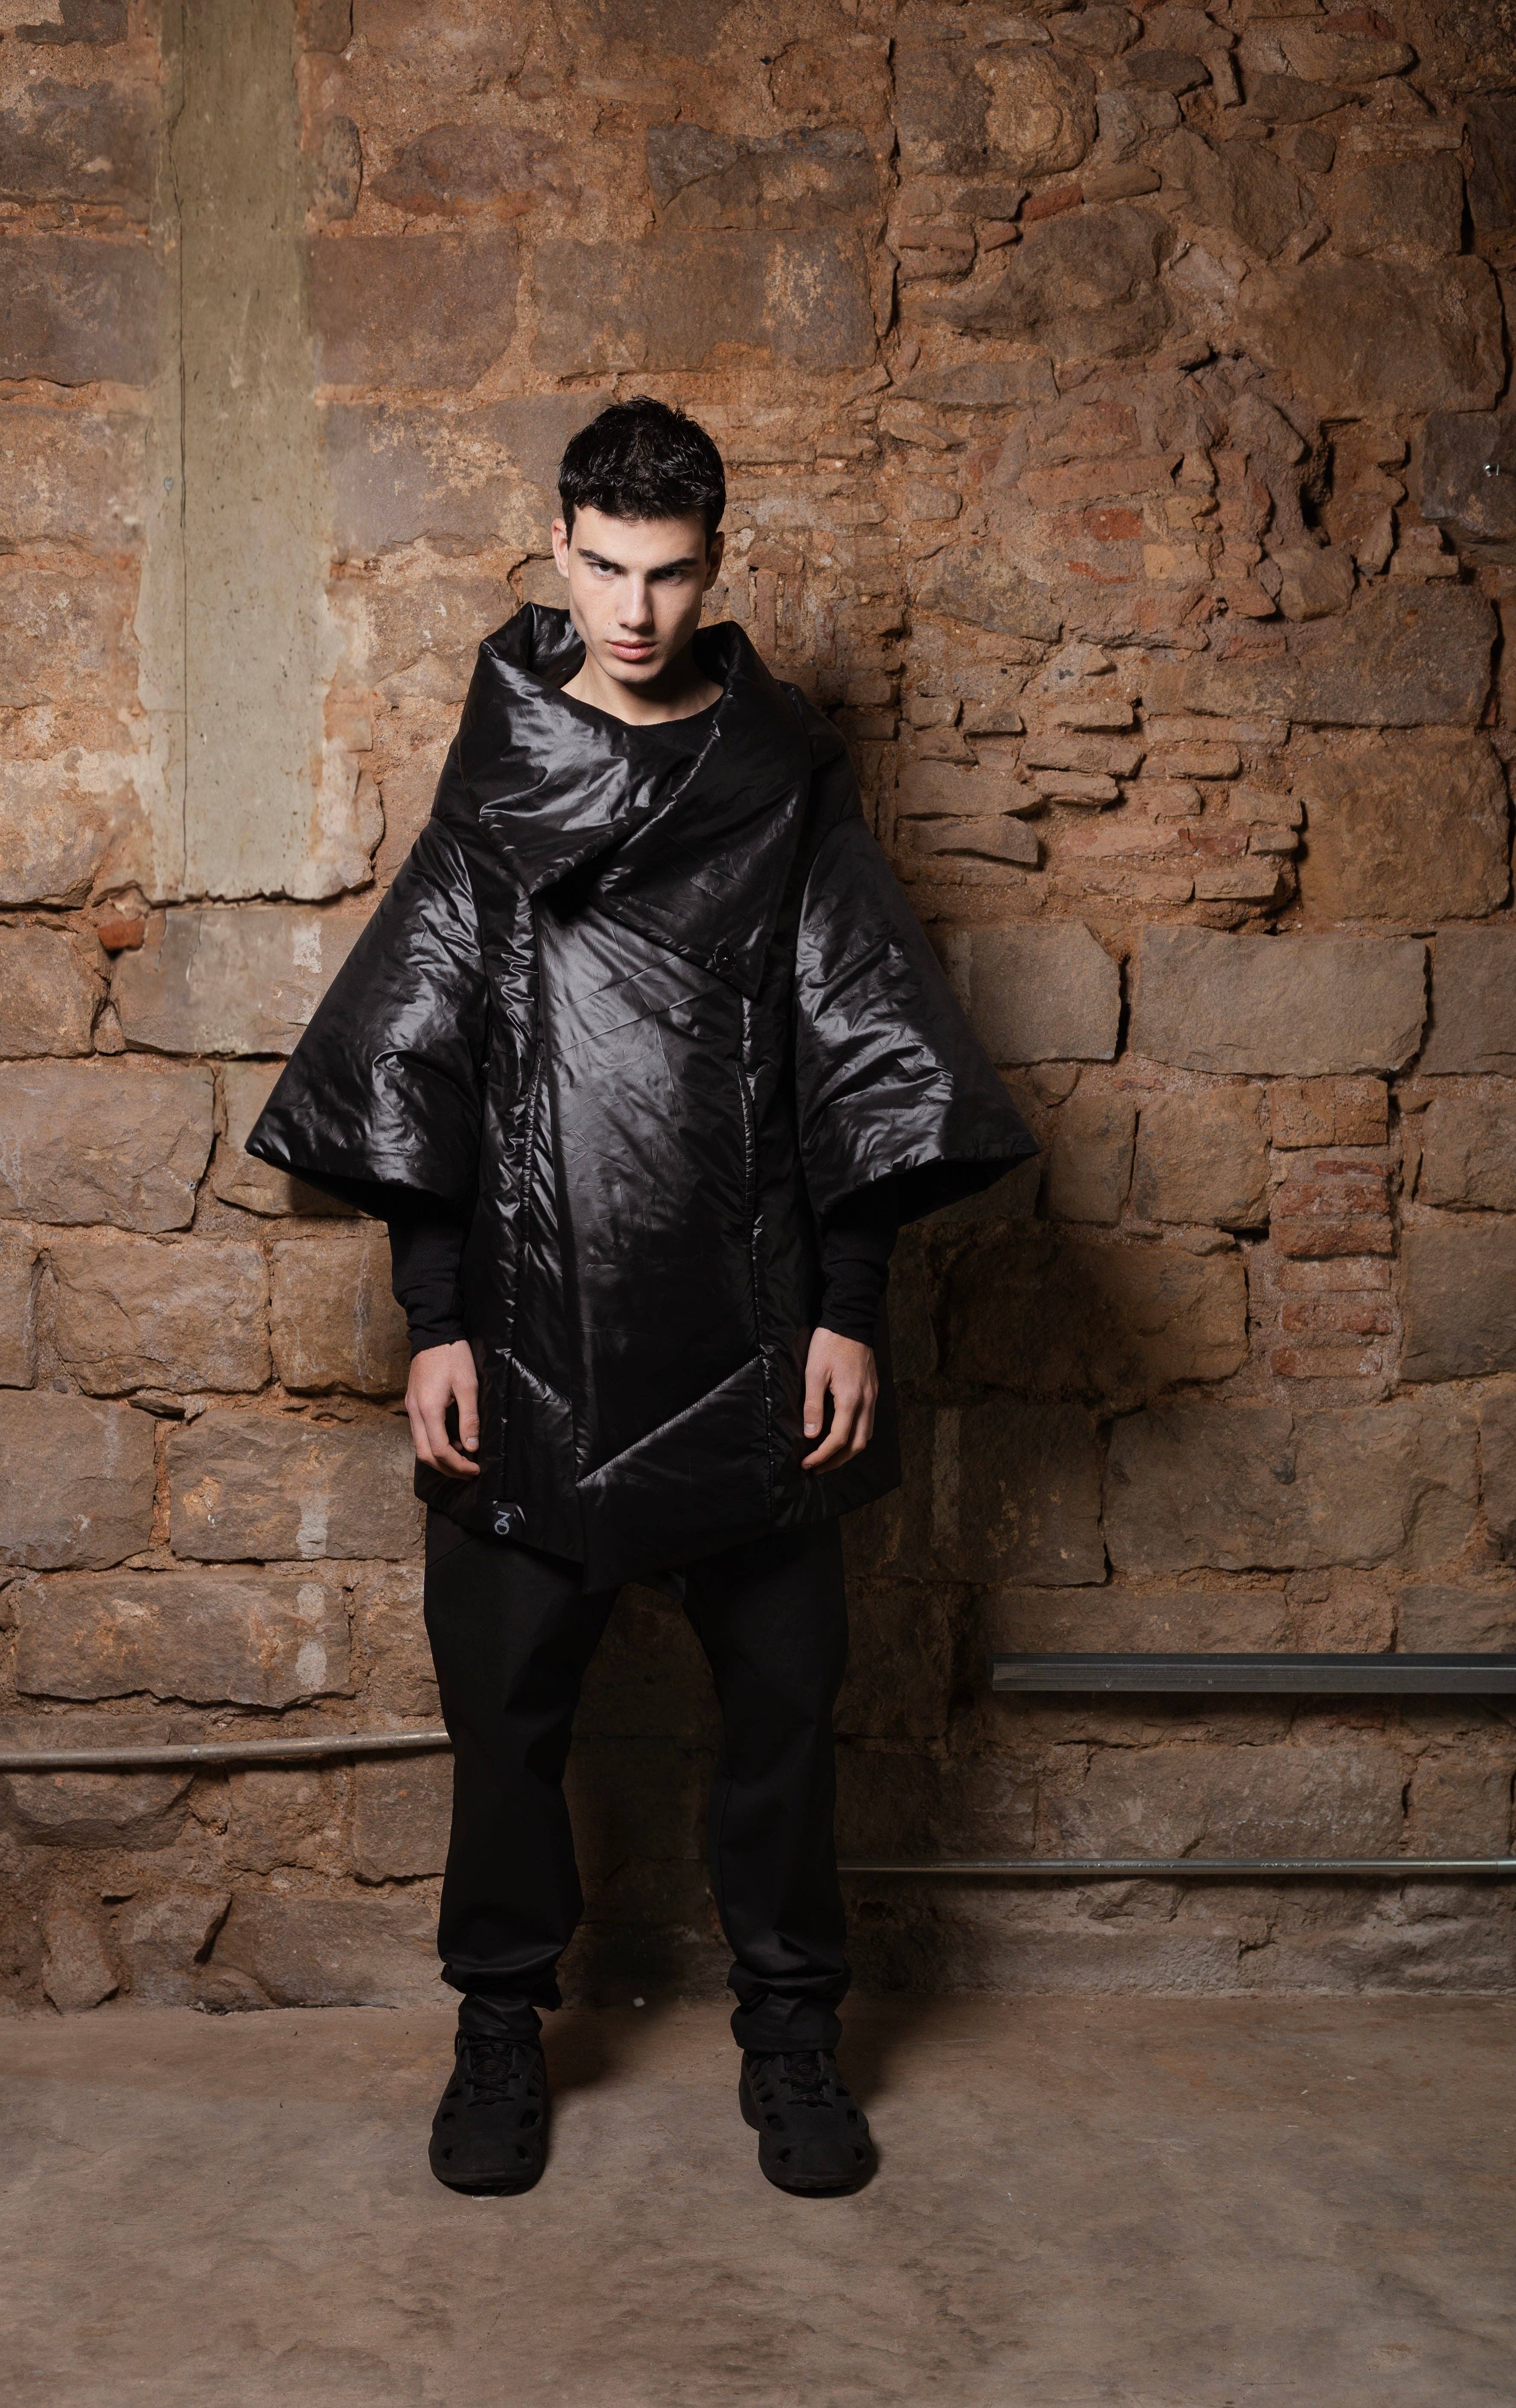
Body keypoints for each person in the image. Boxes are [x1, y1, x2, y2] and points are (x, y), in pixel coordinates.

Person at [248, 397, 1036, 2199]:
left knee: (785, 1721)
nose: (633, 609)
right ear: (557, 547)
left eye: (669, 574)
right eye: (603, 567)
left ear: (715, 565)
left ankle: (792, 2033)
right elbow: (423, 1047)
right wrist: (434, 1319)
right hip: (528, 1321)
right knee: (505, 1724)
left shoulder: (784, 775)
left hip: (754, 1319)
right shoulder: (500, 774)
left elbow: (859, 1035)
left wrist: (850, 1303)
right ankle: (497, 2031)